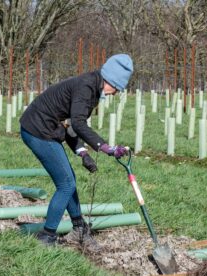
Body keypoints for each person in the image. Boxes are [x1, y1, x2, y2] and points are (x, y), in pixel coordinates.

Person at [20, 54, 132, 250]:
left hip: (46, 129)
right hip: (37, 130)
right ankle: (47, 237)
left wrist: (83, 153)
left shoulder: (93, 89)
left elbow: (71, 127)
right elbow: (79, 124)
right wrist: (105, 147)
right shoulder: (86, 87)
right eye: (117, 88)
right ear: (111, 80)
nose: (115, 93)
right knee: (66, 183)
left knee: (69, 180)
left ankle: (79, 228)